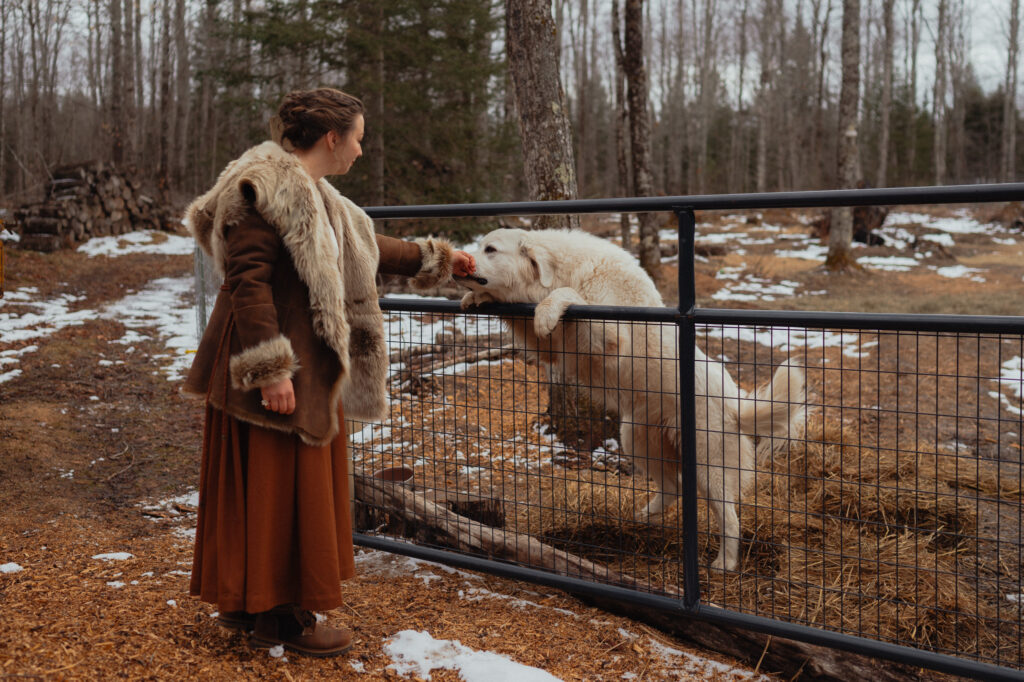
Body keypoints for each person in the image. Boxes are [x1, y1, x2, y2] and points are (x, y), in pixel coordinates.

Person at [181, 87, 475, 657]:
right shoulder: (262, 189)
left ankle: (247, 606)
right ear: (333, 138)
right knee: (277, 488)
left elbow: (367, 246)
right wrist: (270, 371)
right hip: (276, 364)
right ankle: (283, 620)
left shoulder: (318, 196)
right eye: (359, 140)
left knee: (270, 488)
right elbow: (247, 282)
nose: (361, 151)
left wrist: (439, 258)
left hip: (304, 364)